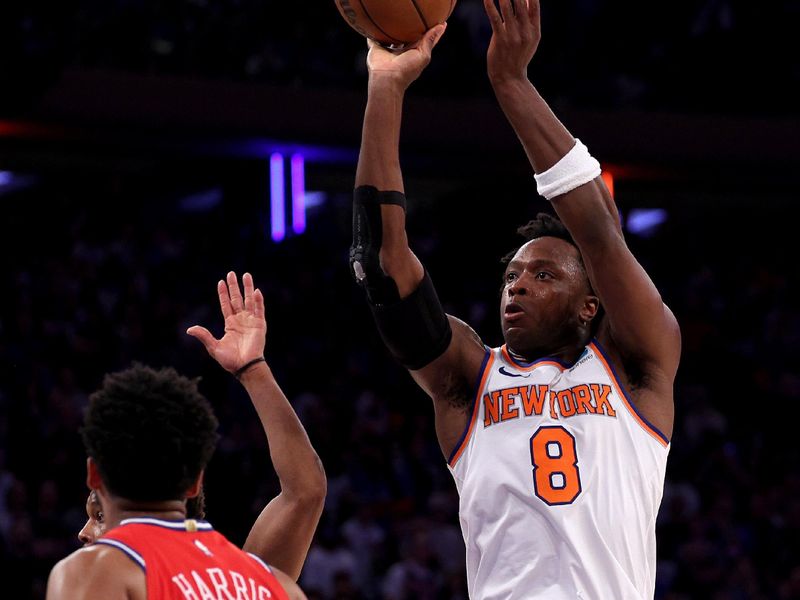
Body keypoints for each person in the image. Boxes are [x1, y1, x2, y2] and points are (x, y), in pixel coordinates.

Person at [348, 0, 681, 598]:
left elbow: (600, 233)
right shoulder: (469, 378)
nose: (519, 284)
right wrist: (386, 88)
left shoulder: (636, 368)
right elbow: (381, 267)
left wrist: (511, 82)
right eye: (512, 278)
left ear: (590, 304)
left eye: (545, 276)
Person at [47, 274, 312, 599]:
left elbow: (304, 494)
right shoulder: (268, 582)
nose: (84, 534)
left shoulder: (91, 571)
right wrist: (254, 370)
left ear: (94, 475)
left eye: (98, 515)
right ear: (194, 482)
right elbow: (306, 493)